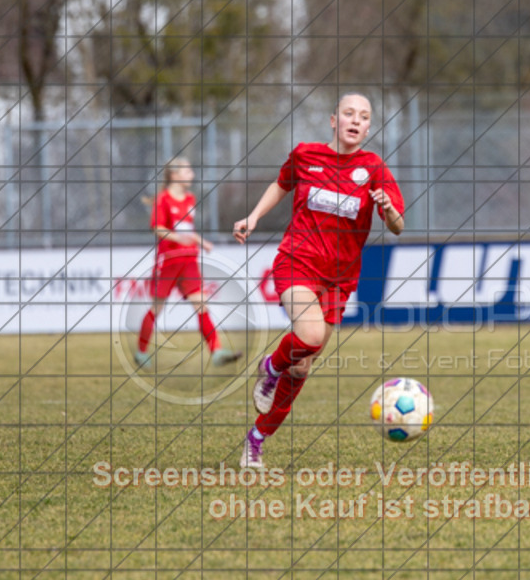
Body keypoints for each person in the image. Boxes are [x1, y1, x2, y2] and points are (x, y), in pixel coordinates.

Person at [232, 92, 405, 468]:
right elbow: (282, 183)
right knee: (308, 338)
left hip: (339, 280)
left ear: (369, 126)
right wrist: (254, 216)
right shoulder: (306, 155)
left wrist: (389, 210)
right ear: (333, 120)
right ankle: (270, 368)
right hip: (297, 261)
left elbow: (397, 226)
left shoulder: (373, 167)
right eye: (348, 113)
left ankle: (256, 439)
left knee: (303, 365)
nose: (355, 120)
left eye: (363, 116)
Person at [135, 156, 241, 369]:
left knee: (201, 305)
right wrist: (176, 238)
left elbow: (187, 230)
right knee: (157, 308)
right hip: (169, 261)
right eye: (187, 171)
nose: (191, 175)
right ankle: (141, 351)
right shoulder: (163, 200)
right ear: (174, 175)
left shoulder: (190, 198)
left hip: (189, 261)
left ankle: (217, 352)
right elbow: (158, 228)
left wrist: (201, 242)